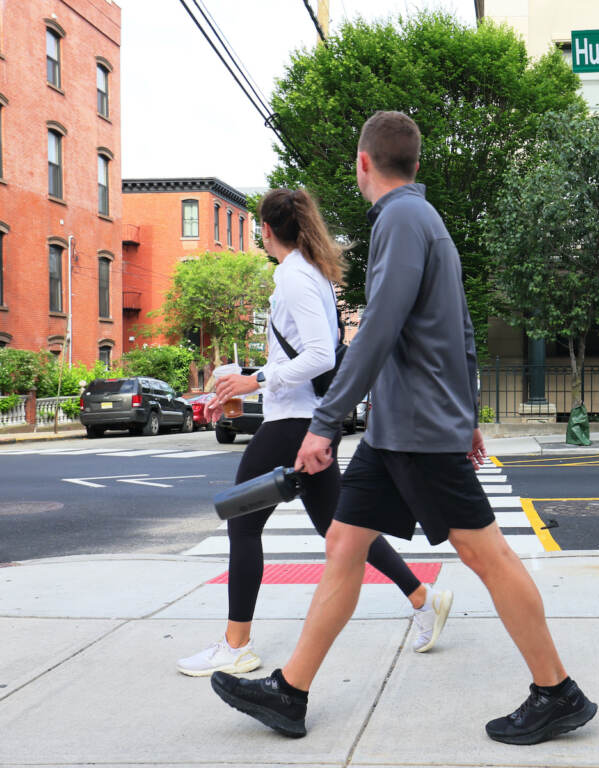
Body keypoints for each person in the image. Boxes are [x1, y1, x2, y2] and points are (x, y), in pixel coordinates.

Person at [210, 112, 597, 745]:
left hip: (417, 430)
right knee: (343, 544)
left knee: (487, 555)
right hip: (398, 431)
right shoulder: (425, 221)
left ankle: (557, 691)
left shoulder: (399, 222)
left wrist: (325, 424)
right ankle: (292, 691)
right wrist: (467, 413)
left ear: (364, 164)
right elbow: (463, 330)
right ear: (414, 165)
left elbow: (379, 330)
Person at [176, 187, 453, 678]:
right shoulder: (312, 275)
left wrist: (258, 379)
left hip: (292, 424)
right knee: (338, 529)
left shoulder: (294, 278)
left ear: (265, 230)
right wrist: (251, 376)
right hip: (304, 418)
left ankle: (236, 644)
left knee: (242, 522)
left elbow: (322, 355)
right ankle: (422, 597)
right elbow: (300, 354)